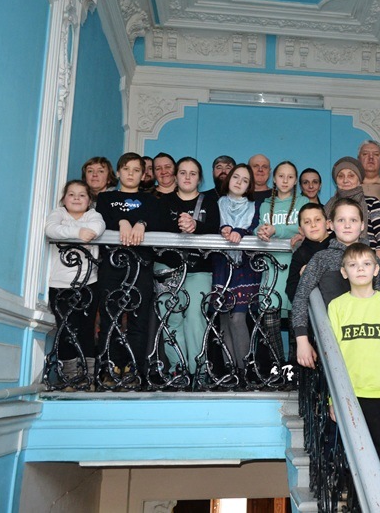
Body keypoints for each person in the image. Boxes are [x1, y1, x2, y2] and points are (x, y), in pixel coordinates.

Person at [328, 243, 380, 508]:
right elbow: (332, 357)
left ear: (376, 270)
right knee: (353, 457)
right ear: (344, 272)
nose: (360, 269)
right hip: (349, 396)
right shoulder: (337, 307)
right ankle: (358, 505)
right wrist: (333, 398)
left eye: (366, 264)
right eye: (353, 265)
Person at [291, 198, 380, 369]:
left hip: (370, 341)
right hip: (332, 342)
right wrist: (302, 341)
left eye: (353, 220)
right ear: (330, 224)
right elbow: (300, 297)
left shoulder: (373, 260)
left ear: (362, 225)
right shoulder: (321, 259)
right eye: (341, 220)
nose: (347, 225)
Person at [95, 152, 164, 387]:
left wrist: (141, 223)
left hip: (141, 266)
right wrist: (122, 222)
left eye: (136, 170)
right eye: (126, 169)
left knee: (138, 320)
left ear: (143, 175)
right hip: (112, 265)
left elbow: (158, 221)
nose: (131, 174)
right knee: (110, 318)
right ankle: (110, 368)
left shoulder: (151, 200)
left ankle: (134, 370)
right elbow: (102, 219)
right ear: (118, 172)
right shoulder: (106, 198)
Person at [157, 157, 220, 375]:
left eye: (192, 173)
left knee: (196, 319)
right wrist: (179, 225)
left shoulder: (210, 202)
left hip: (199, 269)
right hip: (167, 268)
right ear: (175, 176)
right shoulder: (163, 201)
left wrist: (196, 226)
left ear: (199, 179)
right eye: (183, 172)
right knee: (171, 320)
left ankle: (199, 373)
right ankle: (178, 371)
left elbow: (215, 228)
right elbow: (155, 227)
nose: (187, 177)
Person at [45, 180, 106, 387]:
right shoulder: (58, 213)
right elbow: (51, 229)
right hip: (60, 284)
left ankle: (88, 376)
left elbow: (97, 228)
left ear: (89, 201)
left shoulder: (93, 215)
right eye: (71, 194)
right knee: (65, 329)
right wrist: (78, 233)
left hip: (89, 282)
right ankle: (70, 377)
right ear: (64, 199)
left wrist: (71, 229)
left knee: (86, 329)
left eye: (82, 195)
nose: (77, 198)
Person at [213, 163, 260, 371]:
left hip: (244, 266)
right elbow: (211, 224)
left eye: (245, 180)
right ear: (228, 179)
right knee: (224, 318)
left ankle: (246, 370)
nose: (239, 182)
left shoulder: (254, 206)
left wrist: (240, 231)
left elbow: (255, 227)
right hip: (221, 265)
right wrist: (222, 229)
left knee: (238, 318)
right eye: (236, 177)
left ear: (249, 186)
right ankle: (230, 371)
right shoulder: (217, 203)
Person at [256, 161, 309, 317]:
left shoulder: (303, 202)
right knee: (270, 317)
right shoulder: (265, 205)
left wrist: (276, 230)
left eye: (290, 177)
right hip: (270, 267)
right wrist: (259, 231)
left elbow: (304, 227)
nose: (285, 181)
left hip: (294, 266)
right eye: (281, 176)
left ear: (295, 180)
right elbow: (259, 226)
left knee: (296, 319)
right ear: (274, 179)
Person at [285, 202, 332, 364]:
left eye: (317, 220)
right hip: (313, 318)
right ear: (301, 230)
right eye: (307, 222)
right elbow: (291, 289)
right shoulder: (300, 254)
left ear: (328, 223)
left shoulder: (338, 245)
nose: (313, 225)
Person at [324, 156, 380, 267]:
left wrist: (378, 267)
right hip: (334, 265)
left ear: (359, 179)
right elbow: (321, 236)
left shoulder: (371, 203)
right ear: (336, 180)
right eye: (341, 176)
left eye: (351, 175)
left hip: (366, 264)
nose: (345, 180)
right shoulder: (329, 207)